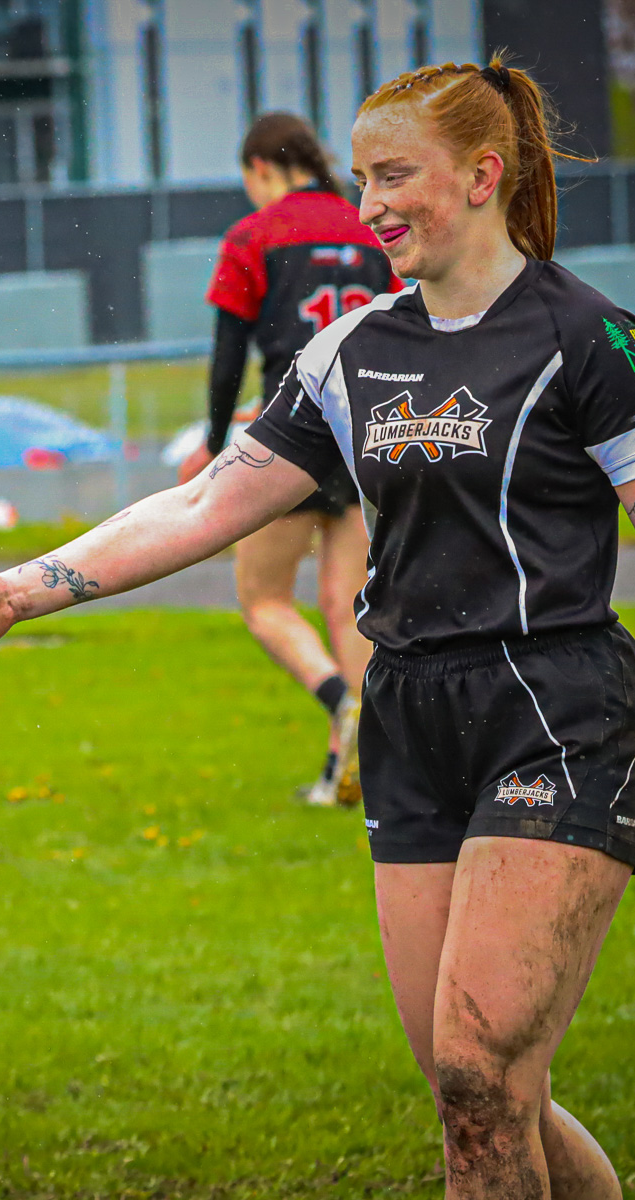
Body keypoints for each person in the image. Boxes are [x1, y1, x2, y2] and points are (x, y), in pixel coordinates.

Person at [0, 58, 635, 1196]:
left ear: (482, 175)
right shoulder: (351, 352)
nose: (368, 206)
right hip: (409, 714)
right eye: (364, 176)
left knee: (482, 1078)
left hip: (556, 708)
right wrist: (24, 588)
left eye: (393, 177)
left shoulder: (592, 338)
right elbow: (206, 503)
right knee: (473, 1093)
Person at [178, 112, 396, 806]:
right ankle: (361, 766)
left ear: (260, 169)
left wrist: (213, 442)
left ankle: (339, 702)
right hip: (368, 433)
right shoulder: (370, 226)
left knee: (265, 600)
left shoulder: (254, 236)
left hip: (293, 435)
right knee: (348, 605)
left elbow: (227, 355)